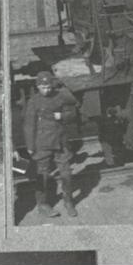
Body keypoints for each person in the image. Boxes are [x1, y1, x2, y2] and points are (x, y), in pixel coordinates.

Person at [23, 71, 80, 218]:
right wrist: (30, 146)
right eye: (43, 87)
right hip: (42, 143)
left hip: (61, 142)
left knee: (66, 173)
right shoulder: (34, 101)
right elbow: (29, 124)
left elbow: (74, 113)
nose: (46, 90)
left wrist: (63, 116)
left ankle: (68, 201)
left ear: (52, 85)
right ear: (37, 86)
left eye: (48, 86)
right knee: (42, 175)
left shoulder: (60, 96)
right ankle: (43, 204)